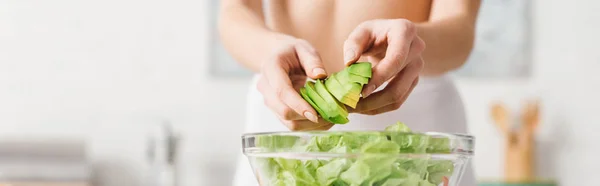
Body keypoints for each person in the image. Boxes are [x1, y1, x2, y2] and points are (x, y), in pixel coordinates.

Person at [218, 0, 481, 185]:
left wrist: (413, 43)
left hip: (414, 123)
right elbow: (235, 10)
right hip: (283, 113)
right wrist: (270, 50)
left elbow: (459, 25)